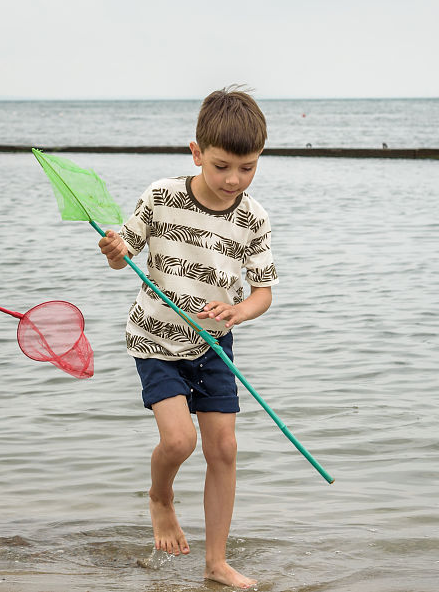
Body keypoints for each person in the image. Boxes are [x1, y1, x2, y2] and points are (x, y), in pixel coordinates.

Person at [97, 86, 277, 589]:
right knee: (179, 440)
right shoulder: (160, 197)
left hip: (214, 344)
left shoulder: (254, 218)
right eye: (221, 166)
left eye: (248, 167)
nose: (233, 179)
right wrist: (113, 249)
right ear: (196, 153)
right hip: (155, 339)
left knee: (224, 449)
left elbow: (264, 292)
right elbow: (122, 254)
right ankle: (160, 497)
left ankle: (215, 563)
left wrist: (238, 310)